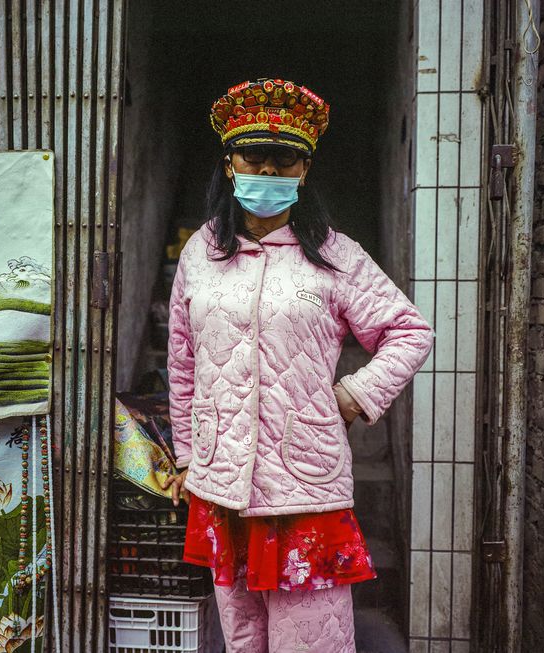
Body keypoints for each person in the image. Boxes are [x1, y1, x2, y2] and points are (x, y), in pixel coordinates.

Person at [162, 78, 434, 653]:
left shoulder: (336, 257)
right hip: (220, 481)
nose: (267, 169)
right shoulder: (201, 255)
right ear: (230, 163)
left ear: (304, 170)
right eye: (252, 155)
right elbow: (182, 360)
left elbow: (410, 331)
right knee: (242, 639)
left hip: (302, 489)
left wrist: (354, 393)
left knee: (309, 643)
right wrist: (187, 456)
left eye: (284, 158)